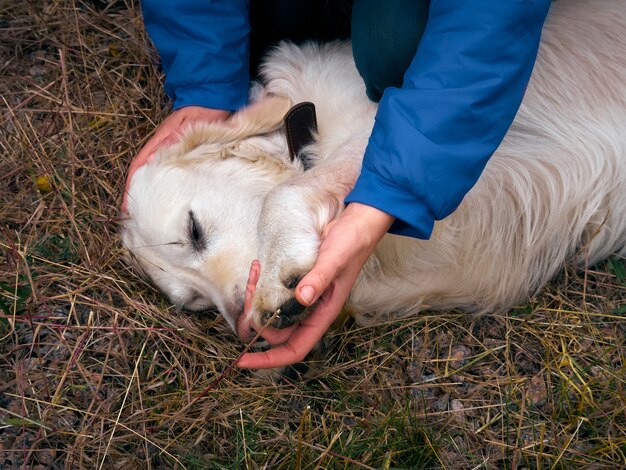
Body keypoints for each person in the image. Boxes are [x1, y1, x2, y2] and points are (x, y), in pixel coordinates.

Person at [125, 0, 552, 369]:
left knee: (393, 45)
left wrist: (310, 197)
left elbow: (488, 22)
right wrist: (205, 82)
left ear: (218, 151)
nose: (234, 307)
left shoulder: (317, 88)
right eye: (200, 302)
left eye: (197, 233)